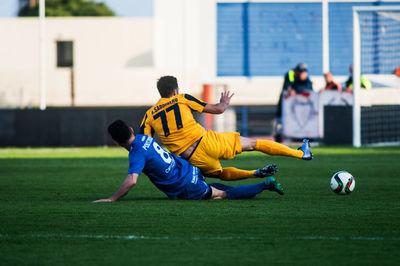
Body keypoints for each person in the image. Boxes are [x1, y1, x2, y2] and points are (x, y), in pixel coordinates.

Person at [139, 76, 312, 182]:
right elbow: (218, 110)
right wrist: (224, 102)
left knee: (219, 174)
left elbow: (143, 144)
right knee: (253, 144)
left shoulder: (149, 115)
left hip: (190, 158)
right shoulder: (182, 98)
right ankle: (301, 153)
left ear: (160, 92)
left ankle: (253, 174)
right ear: (176, 90)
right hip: (207, 141)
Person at [93, 120, 284, 202]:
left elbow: (132, 180)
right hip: (188, 169)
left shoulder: (135, 153)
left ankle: (265, 184)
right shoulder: (144, 138)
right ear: (132, 130)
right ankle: (257, 179)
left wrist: (112, 198)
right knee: (216, 189)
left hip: (184, 184)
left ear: (117, 142)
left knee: (223, 196)